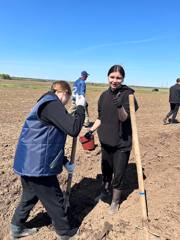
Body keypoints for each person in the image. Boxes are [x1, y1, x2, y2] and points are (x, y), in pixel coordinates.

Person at [10, 81, 85, 240]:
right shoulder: (52, 104)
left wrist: (64, 161)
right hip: (38, 166)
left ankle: (16, 227)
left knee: (29, 195)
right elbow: (73, 129)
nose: (66, 103)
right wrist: (80, 108)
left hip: (30, 163)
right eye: (68, 98)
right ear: (64, 93)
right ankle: (65, 232)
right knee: (55, 198)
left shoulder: (45, 104)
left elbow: (47, 140)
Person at [84, 65, 138, 214]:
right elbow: (100, 118)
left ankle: (115, 202)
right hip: (106, 141)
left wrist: (120, 106)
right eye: (112, 77)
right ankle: (105, 192)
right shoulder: (103, 96)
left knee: (118, 173)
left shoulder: (128, 95)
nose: (115, 80)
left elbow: (124, 118)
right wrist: (91, 131)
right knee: (106, 171)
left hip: (122, 143)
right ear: (108, 77)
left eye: (118, 78)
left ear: (123, 79)